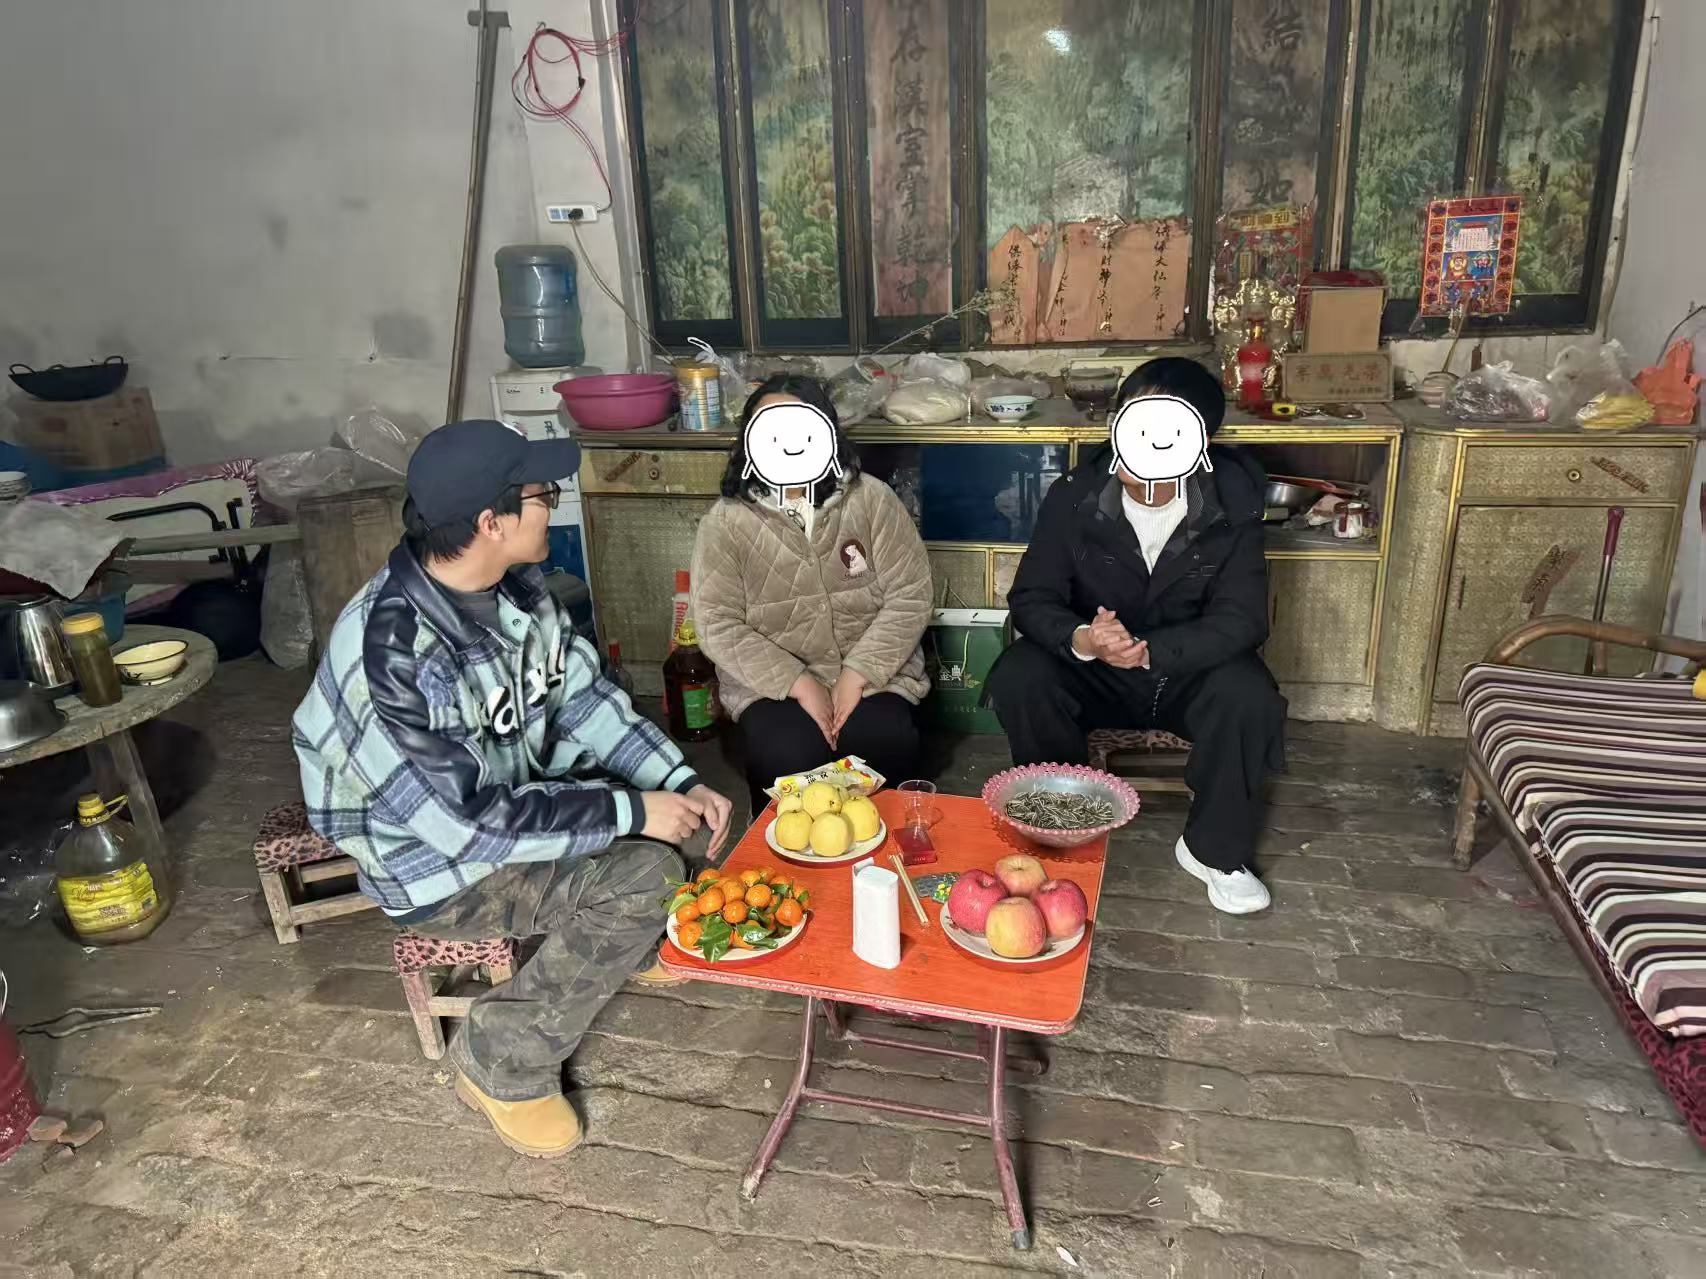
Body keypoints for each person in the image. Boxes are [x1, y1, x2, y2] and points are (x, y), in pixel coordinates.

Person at [292, 419, 733, 1159]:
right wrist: (630, 810)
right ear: (490, 523)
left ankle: (620, 943)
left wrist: (675, 779)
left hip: (506, 786)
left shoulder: (520, 590)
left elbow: (584, 700)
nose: (552, 506)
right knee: (647, 873)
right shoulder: (392, 657)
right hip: (434, 862)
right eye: (542, 495)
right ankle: (501, 1057)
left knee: (681, 824)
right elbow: (466, 827)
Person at [986, 358, 1285, 914]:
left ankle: (1214, 850)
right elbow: (1032, 598)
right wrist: (1084, 638)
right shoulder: (1076, 495)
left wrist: (1154, 651)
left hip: (1185, 673)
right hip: (1095, 672)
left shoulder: (1232, 503)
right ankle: (1059, 818)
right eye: (1132, 416)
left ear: (1198, 439)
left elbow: (1243, 619)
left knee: (1249, 694)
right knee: (1022, 675)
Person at [692, 375, 933, 814]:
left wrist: (857, 673)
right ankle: (781, 850)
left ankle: (887, 846)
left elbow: (910, 595)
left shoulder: (871, 499)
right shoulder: (726, 522)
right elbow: (717, 623)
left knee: (882, 738)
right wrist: (799, 683)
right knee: (786, 752)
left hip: (873, 671)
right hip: (771, 684)